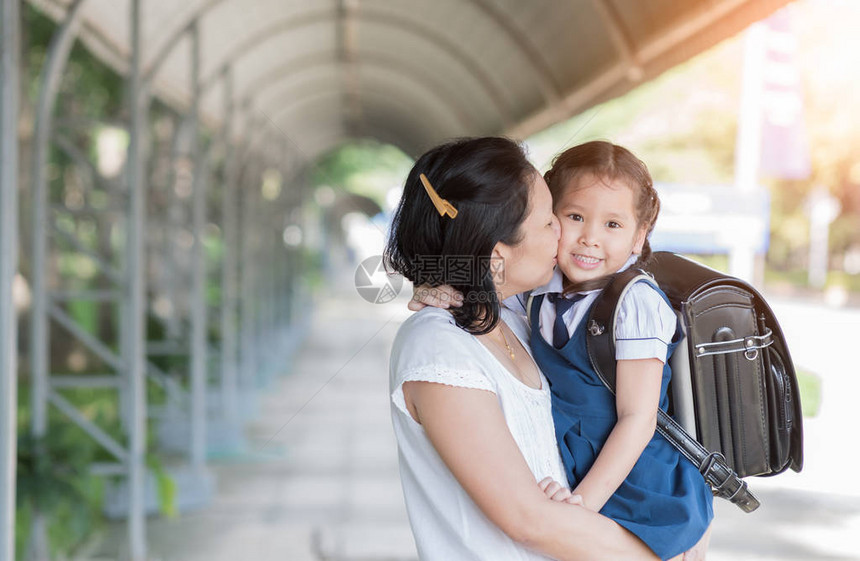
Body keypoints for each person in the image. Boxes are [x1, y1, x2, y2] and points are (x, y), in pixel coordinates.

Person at [413, 141, 714, 561]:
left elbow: (637, 417)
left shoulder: (636, 302)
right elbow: (485, 285)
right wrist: (435, 289)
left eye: (613, 225)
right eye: (574, 217)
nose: (589, 239)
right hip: (581, 471)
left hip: (636, 482)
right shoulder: (541, 288)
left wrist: (583, 503)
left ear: (638, 237)